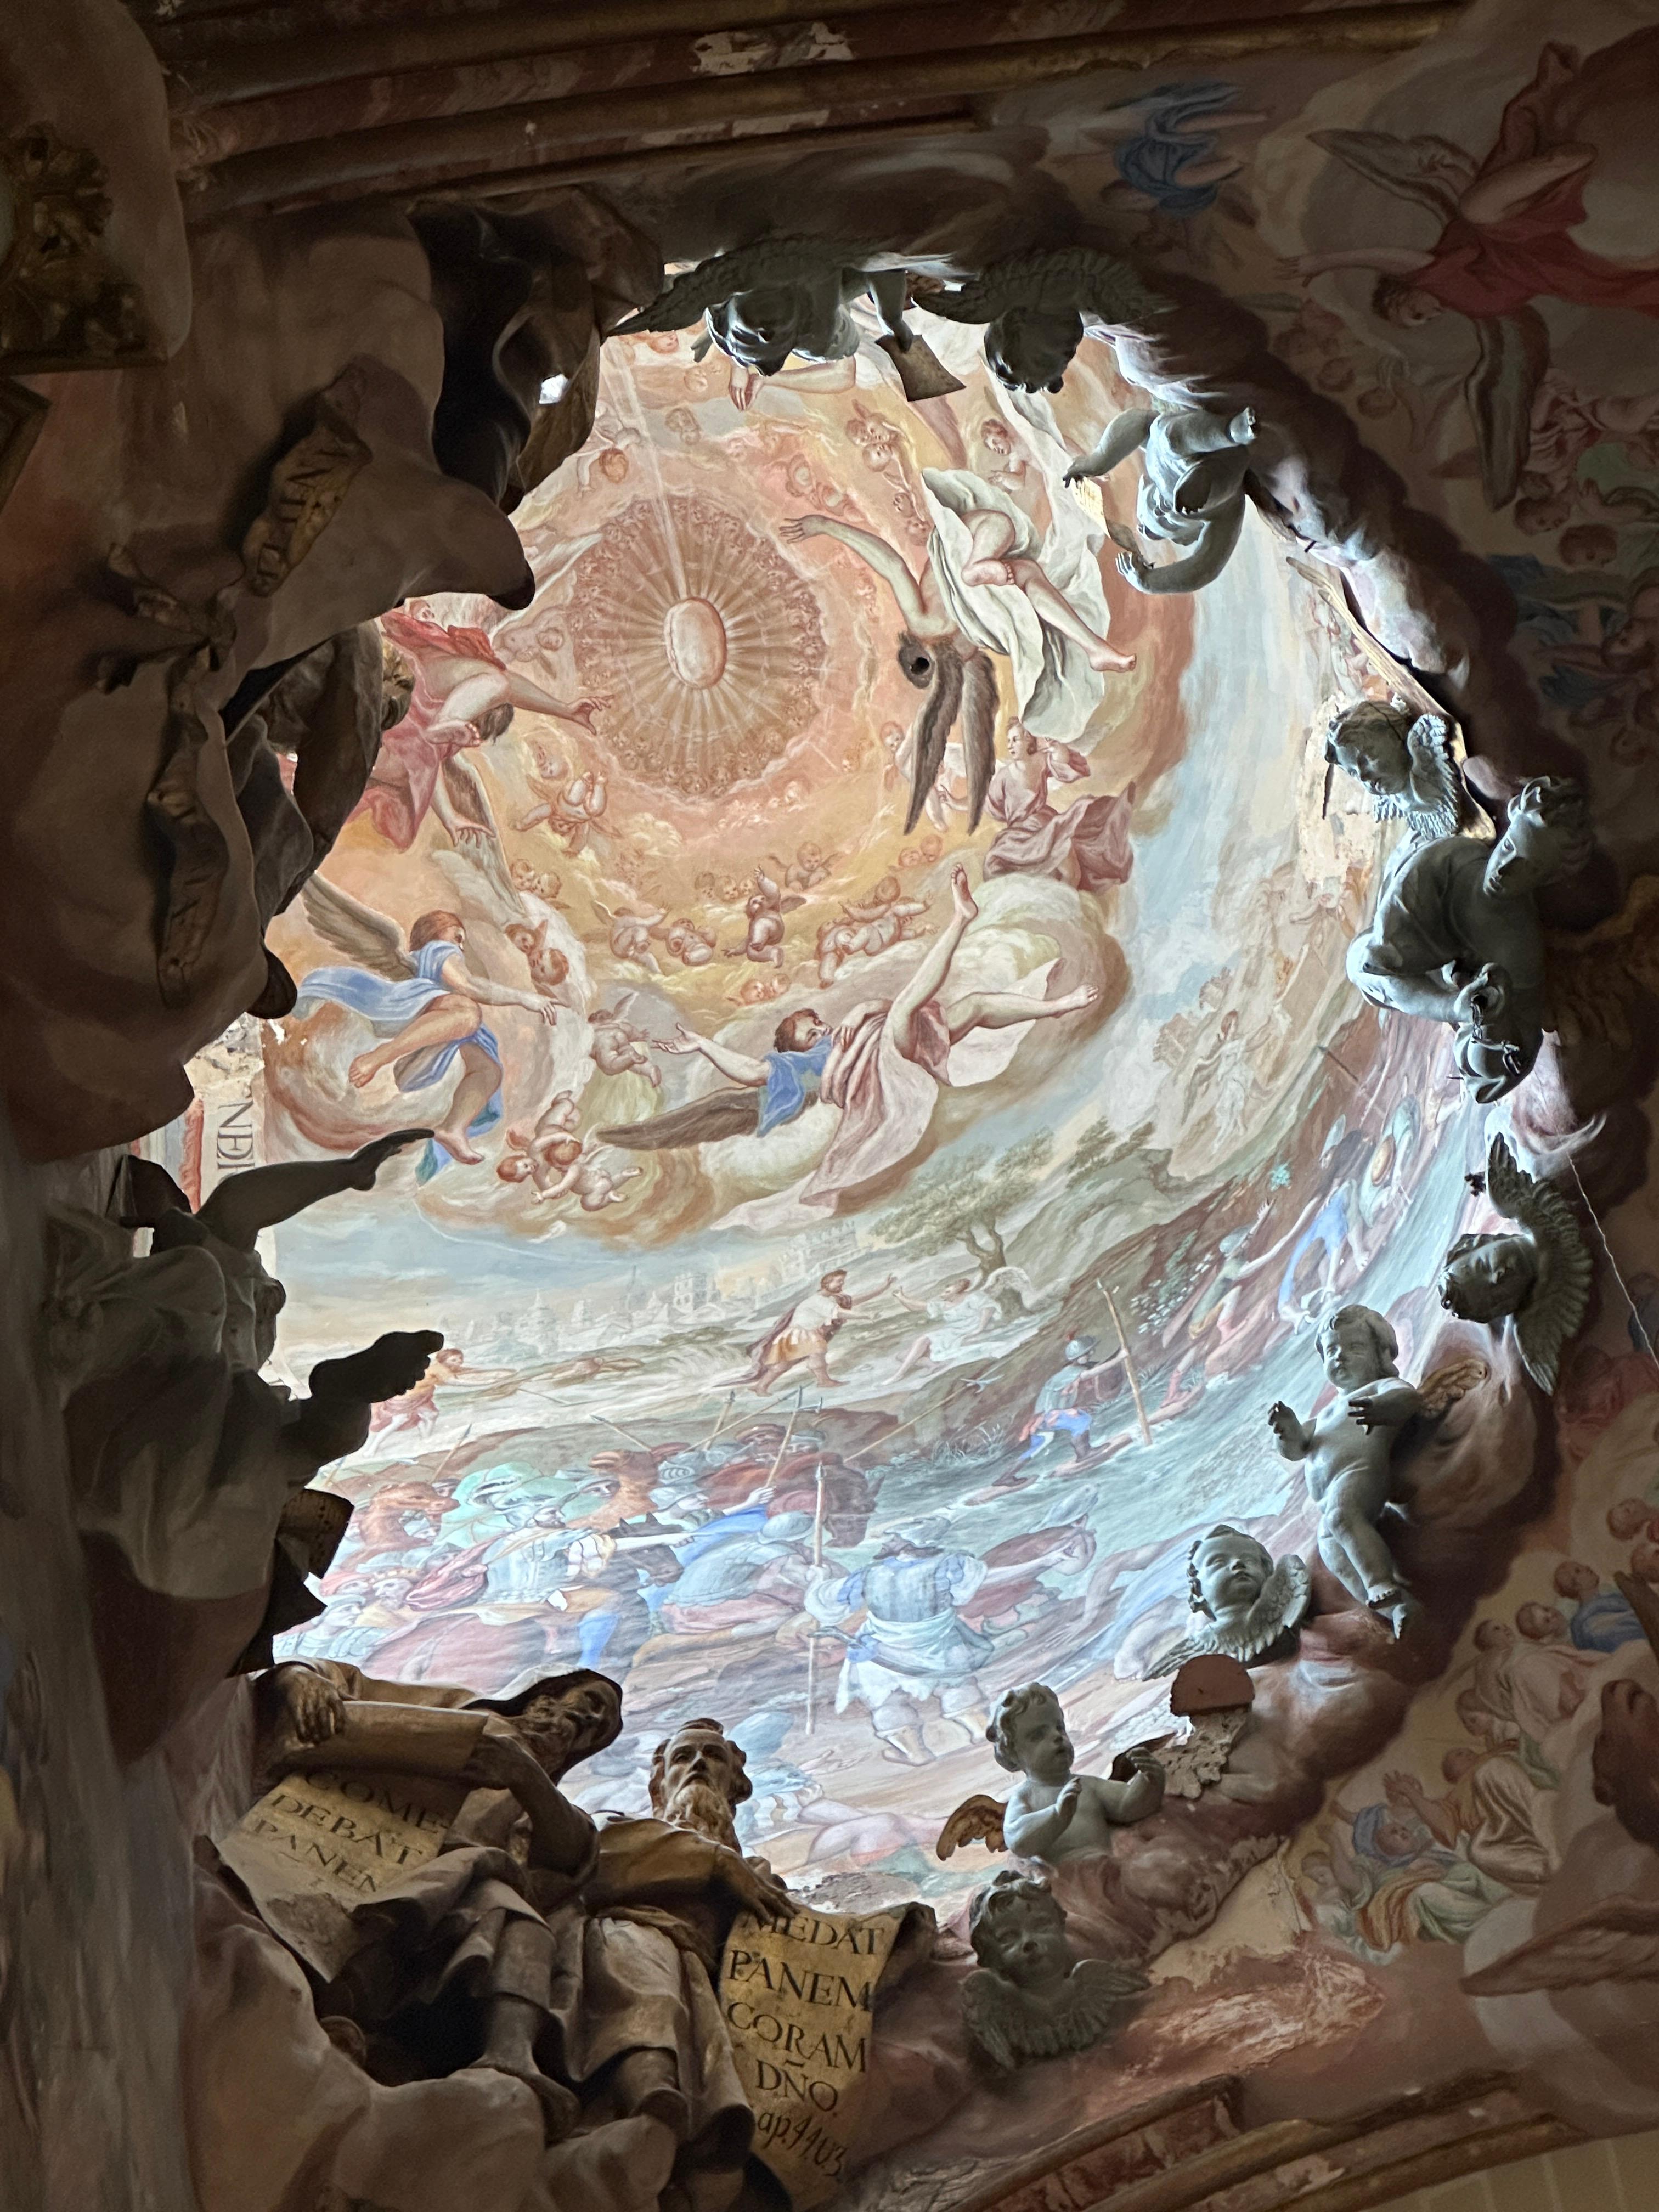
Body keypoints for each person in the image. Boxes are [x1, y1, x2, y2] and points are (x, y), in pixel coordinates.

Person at [809, 1525, 995, 1765]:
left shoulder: (870, 1573)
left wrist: (819, 1579)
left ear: (910, 1544)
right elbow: (963, 1593)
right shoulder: (951, 1563)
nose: (886, 1541)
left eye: (894, 1538)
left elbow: (826, 1606)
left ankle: (915, 1752)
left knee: (886, 1701)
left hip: (882, 1648)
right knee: (956, 1684)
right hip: (937, 1643)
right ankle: (982, 1729)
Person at [983, 723, 1136, 894]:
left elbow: (1062, 763)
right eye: (1009, 741)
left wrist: (1057, 749)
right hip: (1019, 835)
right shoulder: (1003, 776)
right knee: (1000, 871)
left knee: (1072, 873)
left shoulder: (1040, 761)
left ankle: (1062, 904)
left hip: (1047, 826)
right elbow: (988, 804)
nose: (1010, 745)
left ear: (1028, 741)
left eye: (1015, 740)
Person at [735, 1267, 896, 1393]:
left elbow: (854, 1301)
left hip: (802, 1334)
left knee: (786, 1364)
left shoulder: (830, 1299)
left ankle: (761, 1386)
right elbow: (839, 1313)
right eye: (838, 1282)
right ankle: (823, 1381)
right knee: (814, 1353)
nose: (841, 1285)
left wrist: (882, 1289)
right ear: (827, 1283)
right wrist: (866, 1315)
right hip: (801, 1334)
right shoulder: (818, 1300)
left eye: (842, 1282)